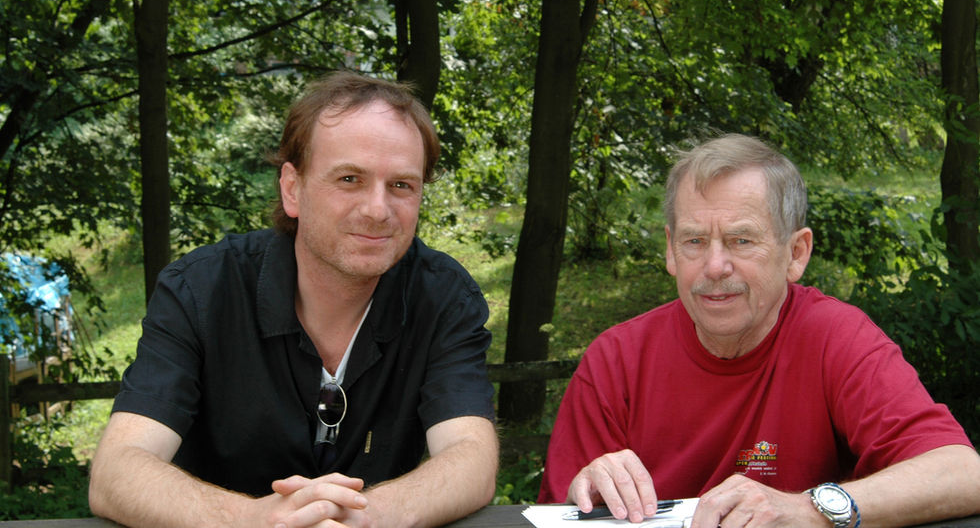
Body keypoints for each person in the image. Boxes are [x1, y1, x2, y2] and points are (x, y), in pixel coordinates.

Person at [88, 72, 498, 528]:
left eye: (402, 185)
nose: (378, 210)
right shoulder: (202, 290)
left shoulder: (443, 296)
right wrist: (252, 520)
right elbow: (117, 470)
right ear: (292, 188)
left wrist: (370, 517)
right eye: (349, 179)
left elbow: (472, 456)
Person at [538, 134, 980, 527]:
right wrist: (583, 493)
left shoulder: (835, 338)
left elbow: (963, 473)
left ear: (796, 253)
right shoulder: (615, 360)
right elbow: (556, 513)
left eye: (741, 240)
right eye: (694, 241)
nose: (715, 266)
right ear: (671, 250)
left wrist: (809, 510)